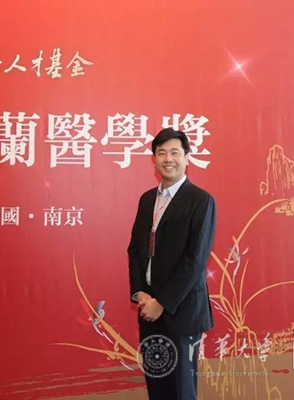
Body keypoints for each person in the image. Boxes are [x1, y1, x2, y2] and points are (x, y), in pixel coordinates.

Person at [127, 127, 216, 400]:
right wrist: (140, 293)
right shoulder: (146, 200)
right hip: (149, 310)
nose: (168, 159)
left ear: (187, 158)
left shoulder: (201, 200)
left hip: (182, 312)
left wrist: (162, 303)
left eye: (175, 153)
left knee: (181, 392)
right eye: (161, 153)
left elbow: (195, 260)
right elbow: (135, 249)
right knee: (158, 390)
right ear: (153, 159)